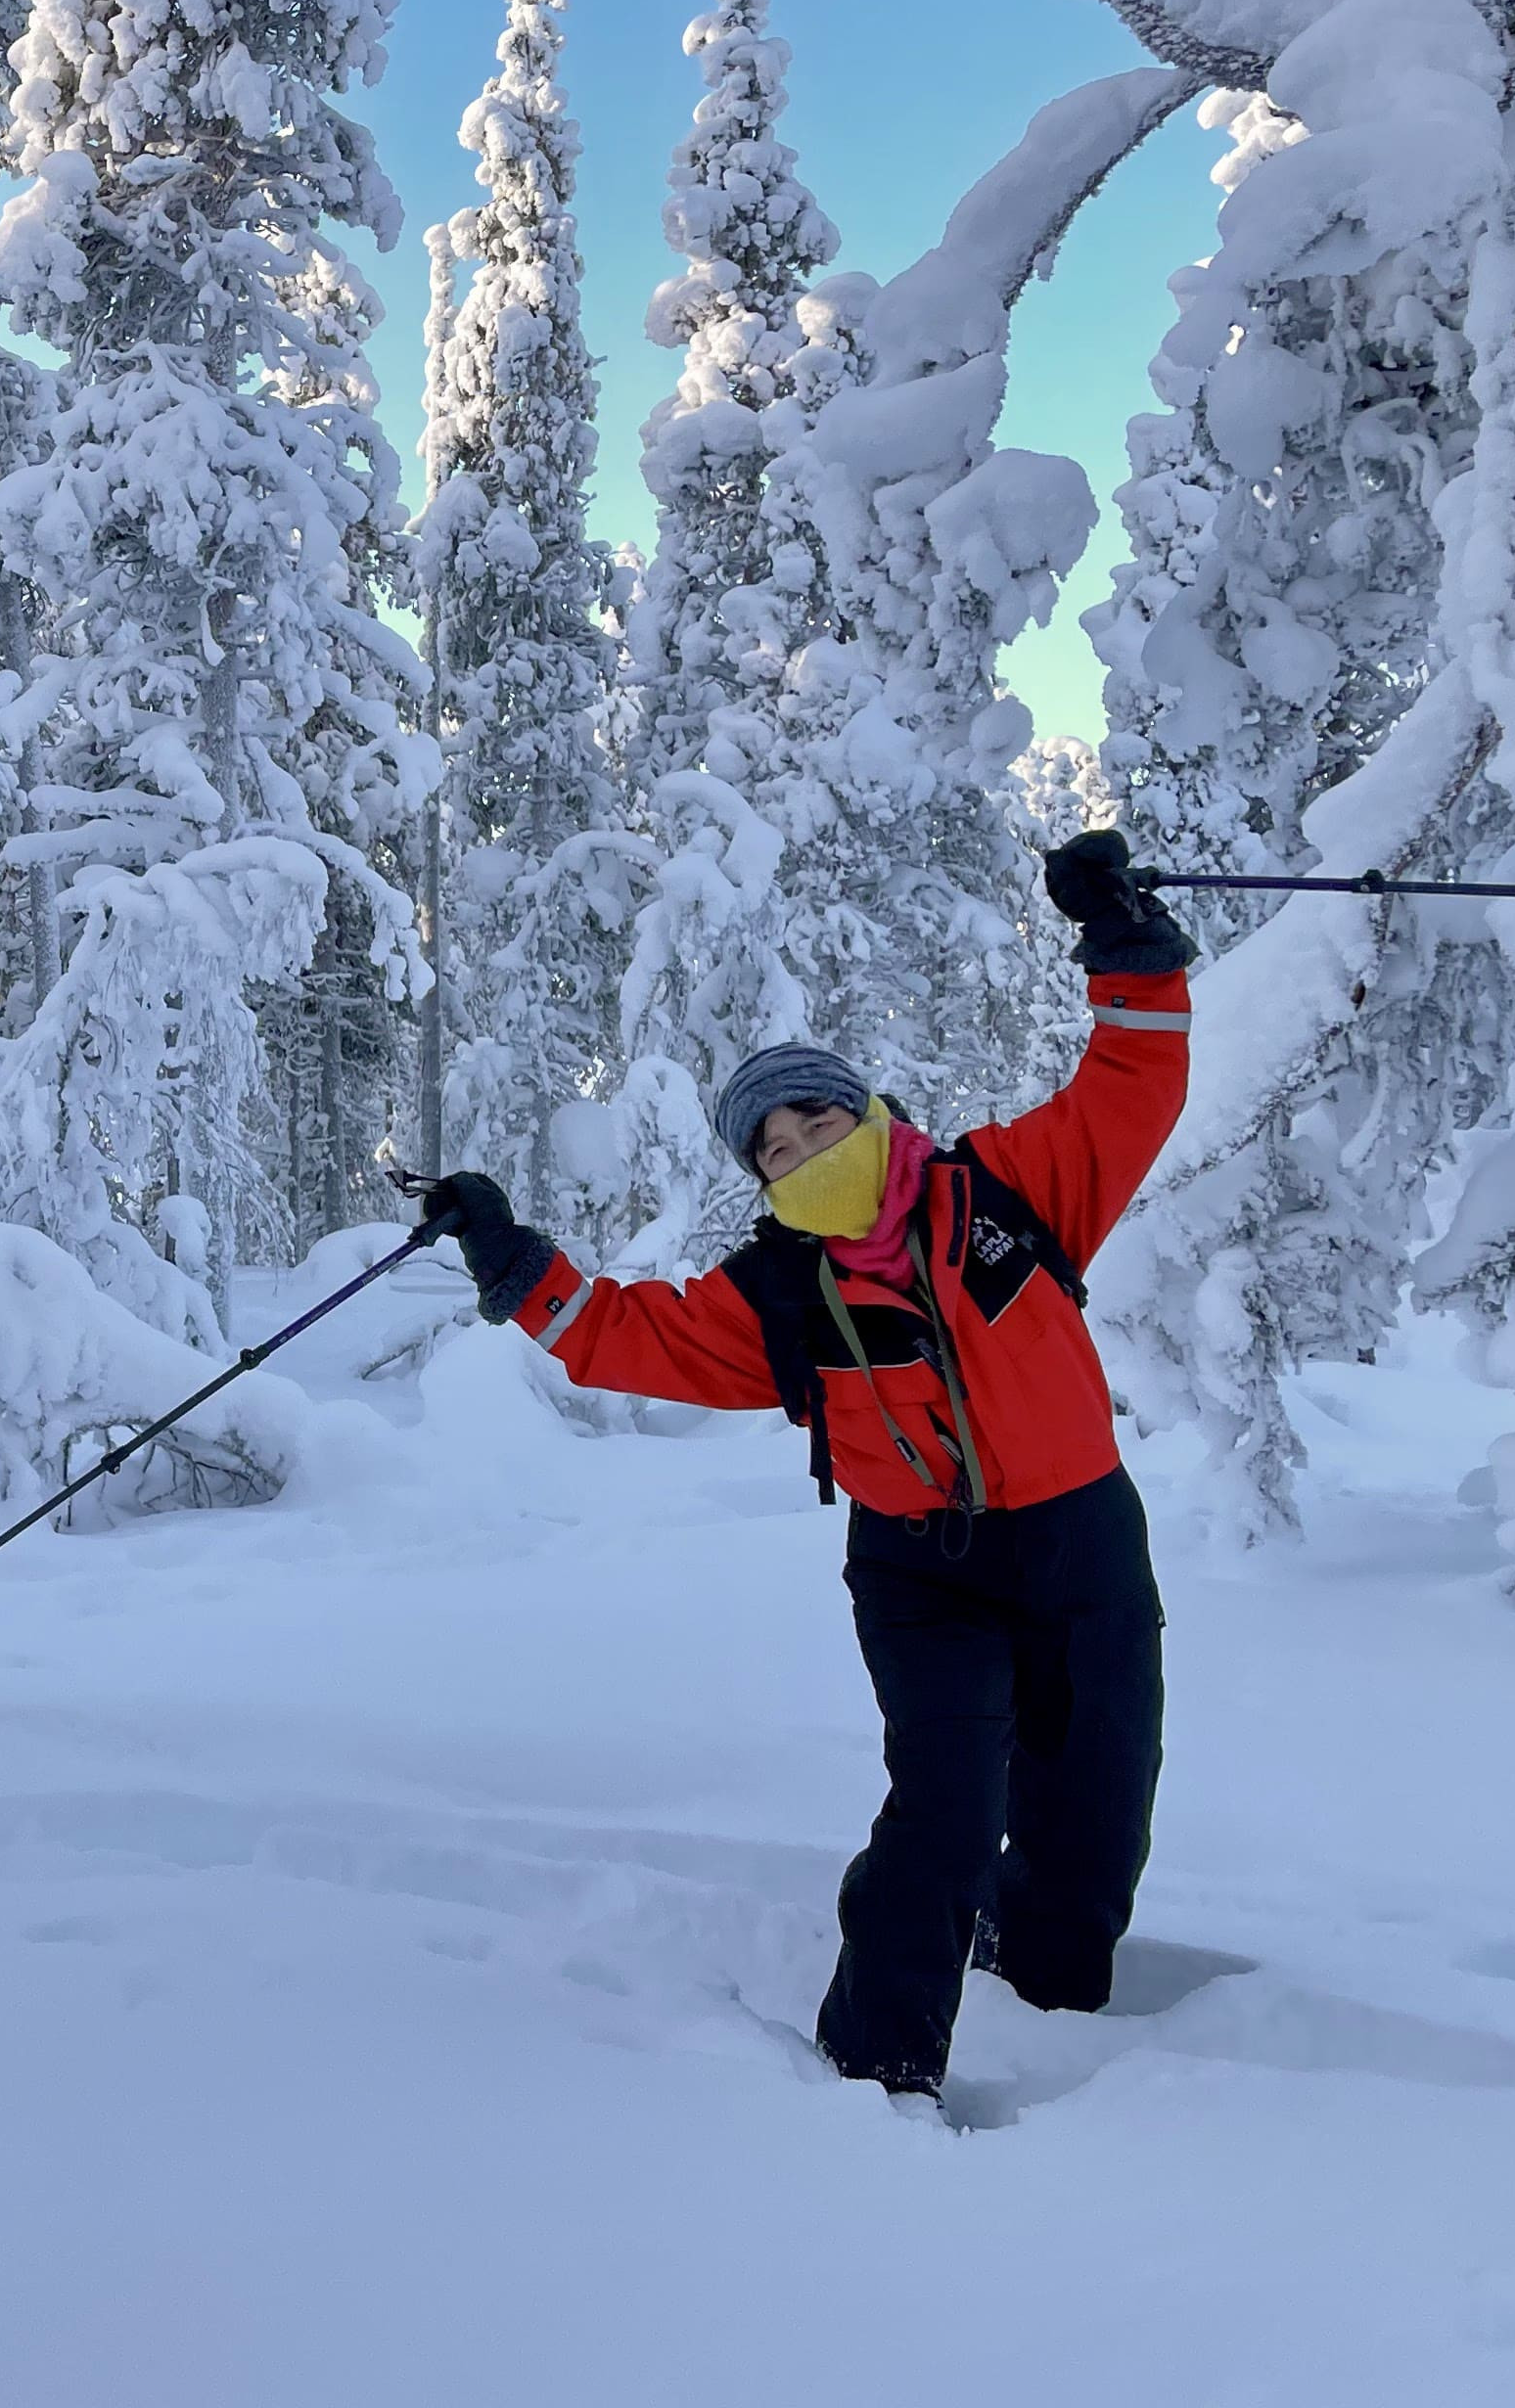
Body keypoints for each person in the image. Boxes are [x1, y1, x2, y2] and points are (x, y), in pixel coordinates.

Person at [421, 833, 1195, 2102]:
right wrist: (516, 1266)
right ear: (764, 1179)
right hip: (921, 1575)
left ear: (868, 1113)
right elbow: (629, 1336)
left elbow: (1130, 1088)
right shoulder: (784, 1293)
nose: (797, 1147)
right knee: (946, 1807)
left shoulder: (1004, 1190)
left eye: (814, 1117)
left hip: (1082, 1541)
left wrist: (1125, 947)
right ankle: (877, 2074)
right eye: (770, 1145)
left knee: (1092, 1813)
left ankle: (1049, 2009)